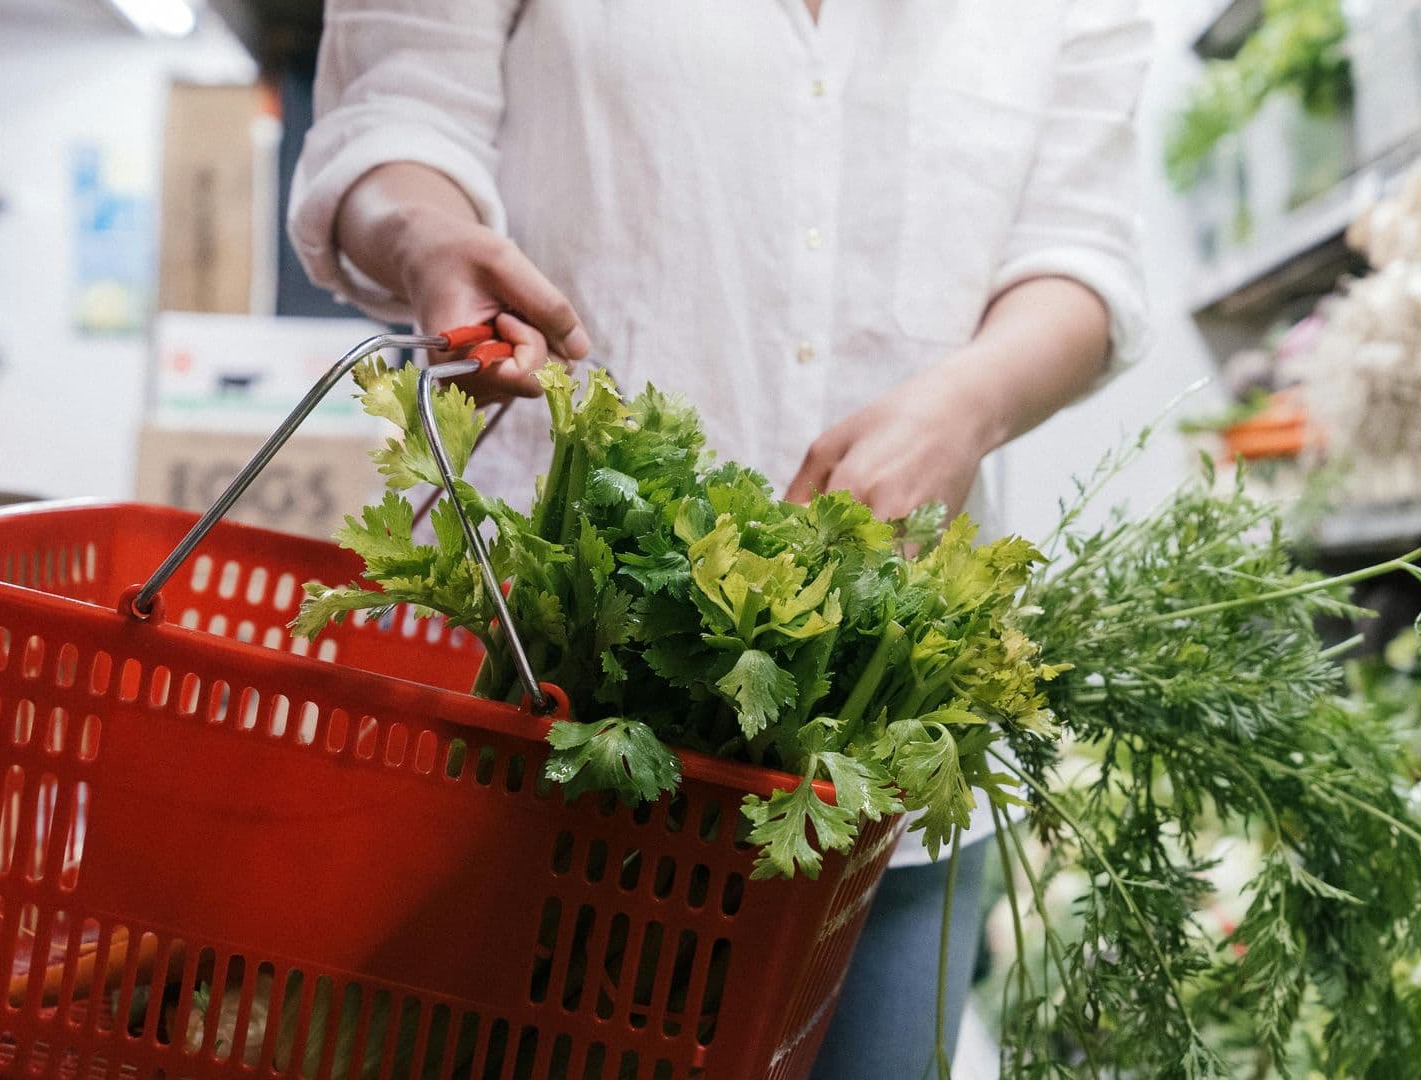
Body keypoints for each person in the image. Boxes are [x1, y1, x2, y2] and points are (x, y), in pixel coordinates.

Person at [289, 1, 1151, 1073]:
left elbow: (1081, 255)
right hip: (542, 699)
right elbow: (397, 113)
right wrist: (427, 236)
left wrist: (967, 405)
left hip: (881, 750)